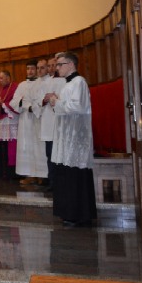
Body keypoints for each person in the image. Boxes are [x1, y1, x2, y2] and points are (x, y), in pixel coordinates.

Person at [49, 52, 97, 226]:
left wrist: (56, 102)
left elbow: (78, 107)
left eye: (60, 65)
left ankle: (79, 215)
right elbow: (64, 109)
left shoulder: (79, 82)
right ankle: (68, 213)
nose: (57, 68)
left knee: (75, 176)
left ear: (70, 64)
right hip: (65, 137)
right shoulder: (67, 85)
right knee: (65, 174)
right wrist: (56, 103)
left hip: (76, 138)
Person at [11, 60, 48, 185]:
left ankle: (42, 175)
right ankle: (29, 175)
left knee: (39, 146)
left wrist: (33, 105)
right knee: (27, 146)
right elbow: (14, 101)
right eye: (28, 69)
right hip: (25, 120)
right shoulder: (22, 85)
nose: (30, 71)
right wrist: (24, 104)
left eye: (32, 68)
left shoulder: (41, 83)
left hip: (38, 118)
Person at [38, 54, 66, 189]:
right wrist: (44, 100)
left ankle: (62, 182)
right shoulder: (45, 83)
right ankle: (52, 182)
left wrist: (56, 97)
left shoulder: (66, 81)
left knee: (61, 154)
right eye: (48, 66)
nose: (51, 68)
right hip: (48, 122)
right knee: (50, 153)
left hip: (60, 122)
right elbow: (37, 101)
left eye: (53, 65)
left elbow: (68, 100)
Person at [0, 70, 18, 180]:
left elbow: (15, 103)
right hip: (1, 121)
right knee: (1, 146)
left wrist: (2, 106)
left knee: (10, 147)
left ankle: (11, 173)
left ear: (8, 77)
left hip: (10, 121)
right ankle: (2, 172)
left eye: (1, 78)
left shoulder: (15, 87)